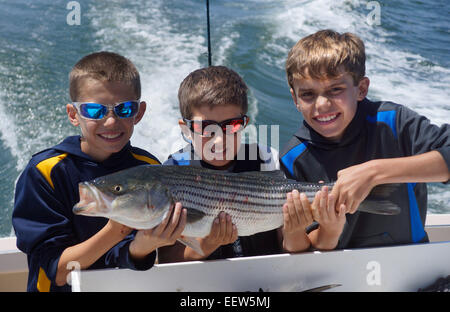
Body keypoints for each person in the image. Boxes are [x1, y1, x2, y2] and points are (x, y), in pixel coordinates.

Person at [12, 51, 186, 292]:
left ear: (140, 112)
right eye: (95, 111)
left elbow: (131, 255)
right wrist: (116, 231)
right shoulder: (44, 172)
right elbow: (58, 270)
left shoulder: (149, 167)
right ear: (74, 115)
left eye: (125, 109)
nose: (111, 122)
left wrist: (143, 247)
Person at [280, 29, 450, 251]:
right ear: (295, 99)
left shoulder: (393, 121)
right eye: (308, 95)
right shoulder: (293, 157)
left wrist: (374, 173)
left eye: (335, 89)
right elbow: (306, 247)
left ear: (361, 89)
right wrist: (329, 230)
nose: (321, 104)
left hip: (412, 263)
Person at [158, 66, 312, 263]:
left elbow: (294, 250)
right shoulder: (172, 171)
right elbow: (167, 263)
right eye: (205, 128)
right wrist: (209, 243)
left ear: (245, 123)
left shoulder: (266, 159)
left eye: (232, 126)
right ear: (186, 129)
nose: (220, 140)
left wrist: (295, 230)